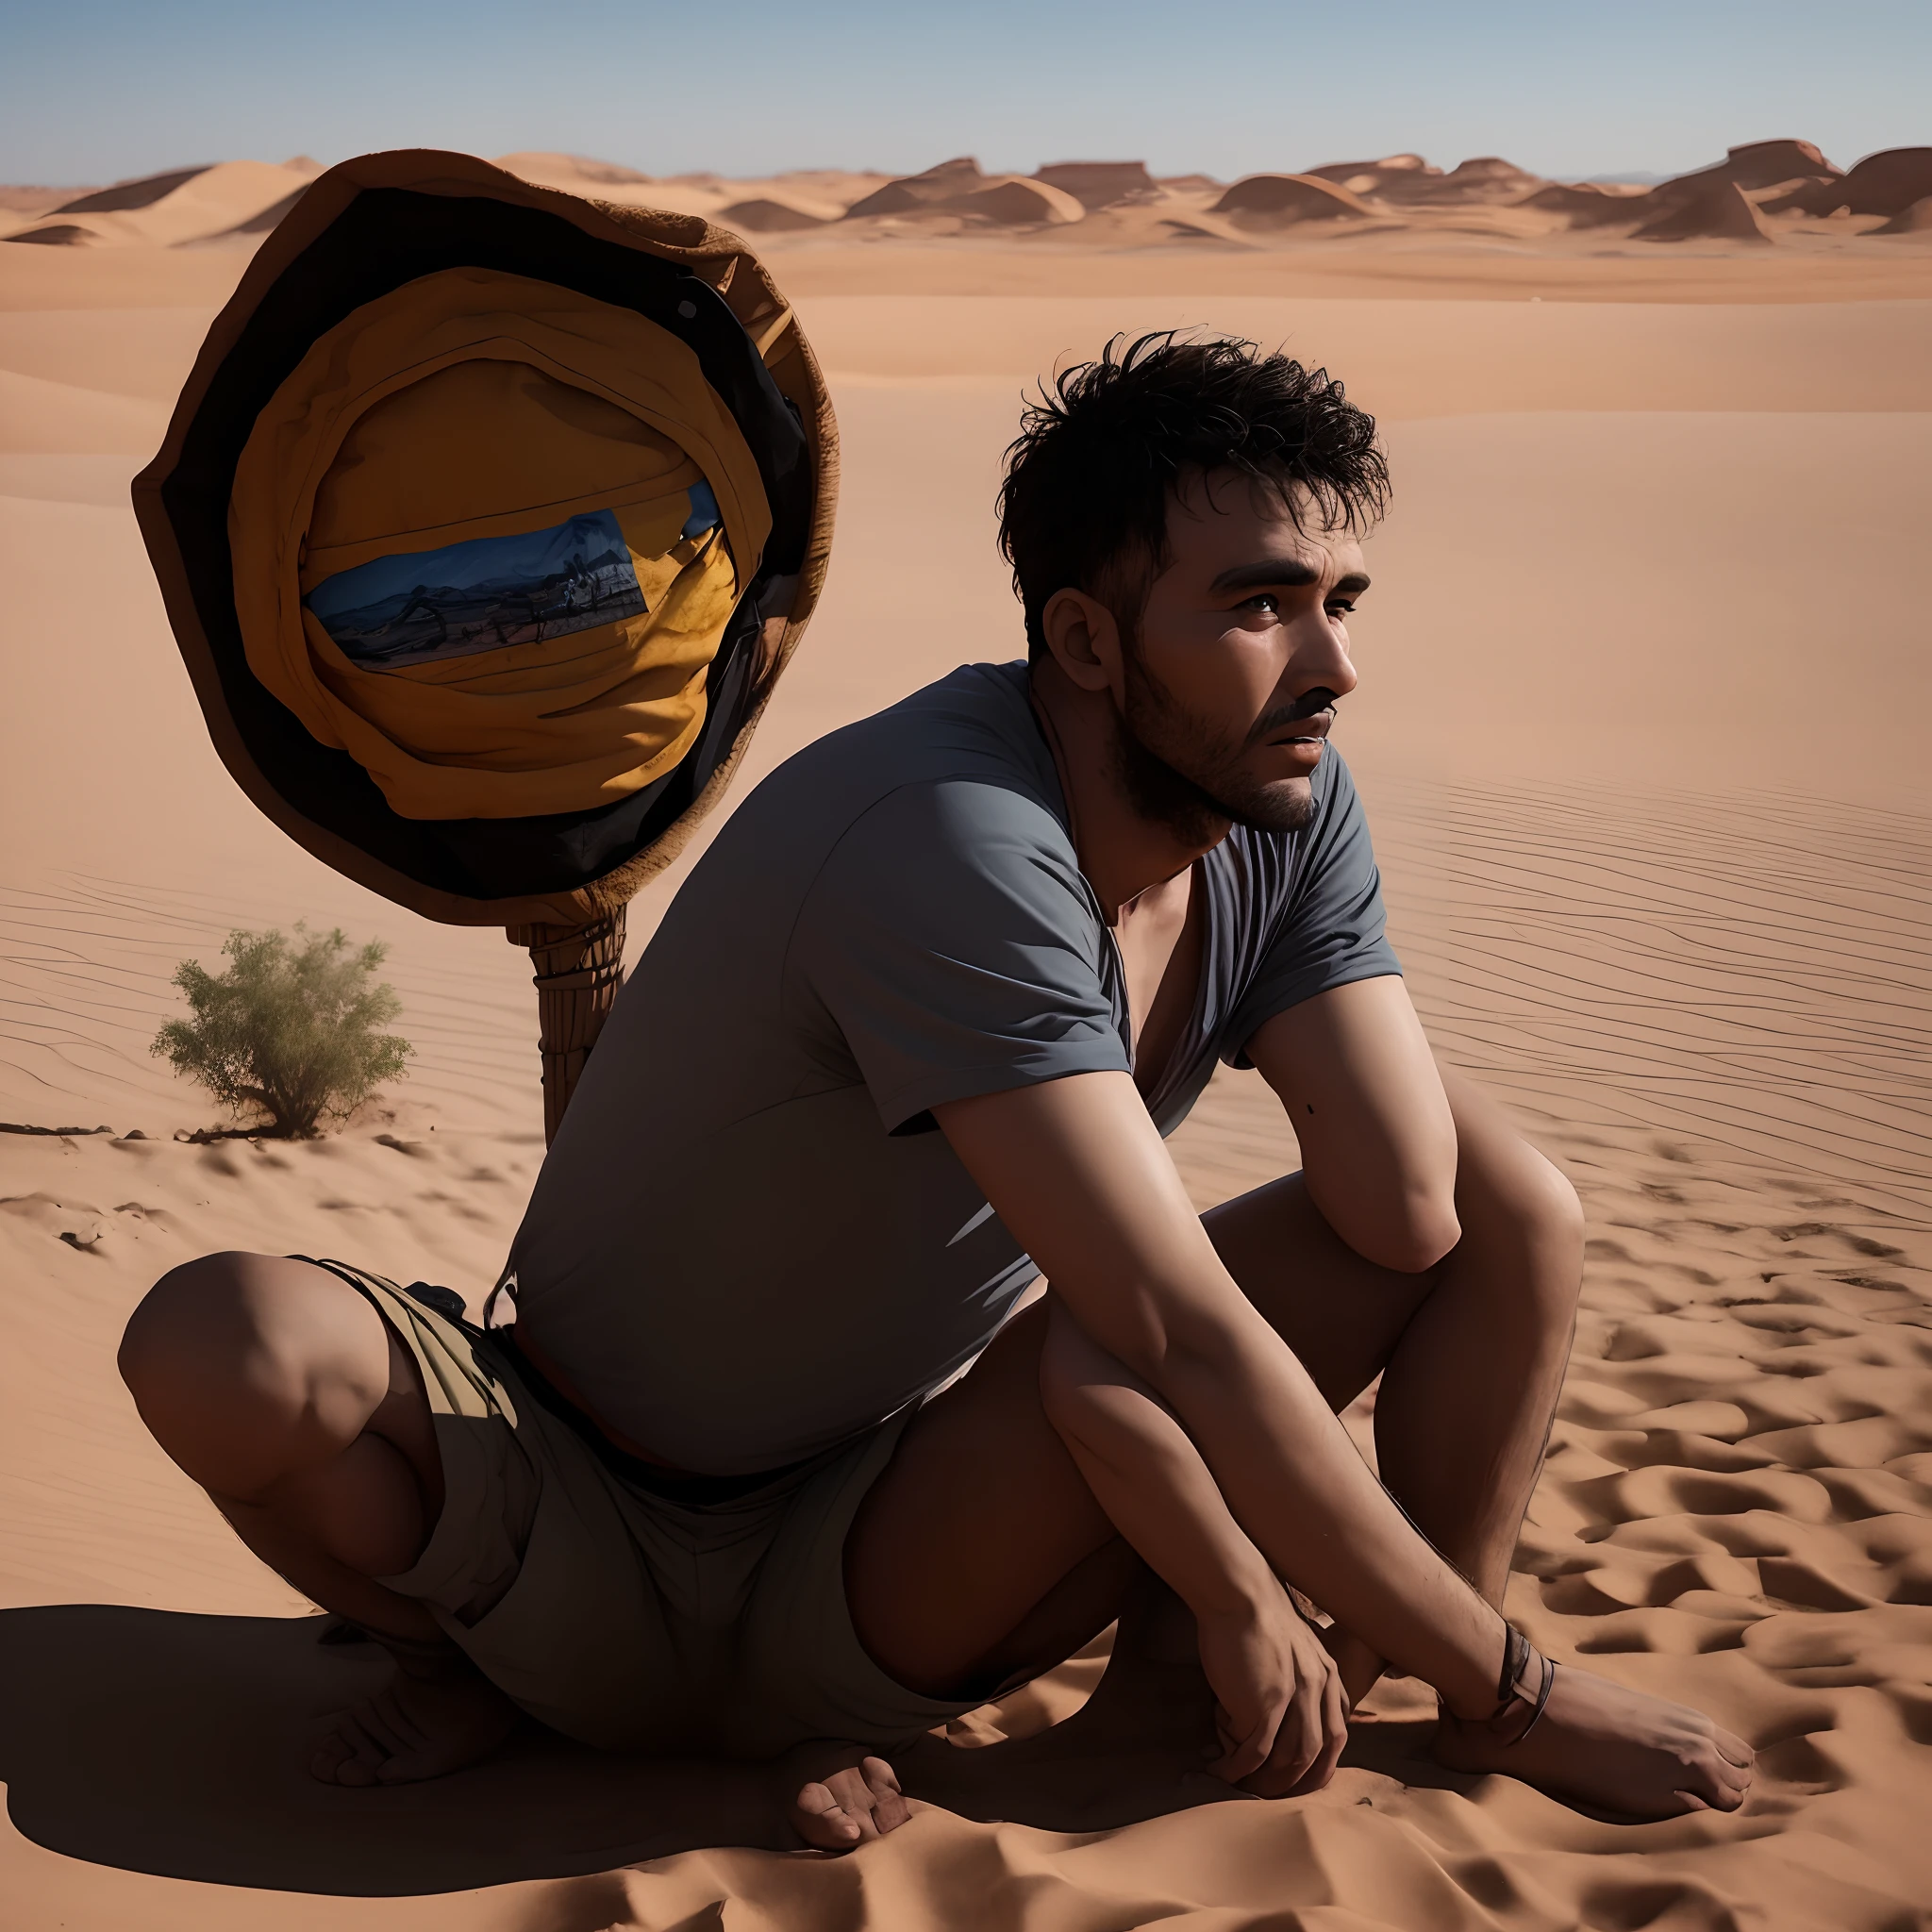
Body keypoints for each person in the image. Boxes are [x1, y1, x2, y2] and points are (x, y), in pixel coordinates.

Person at [119, 335, 1754, 1849]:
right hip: (569, 1502)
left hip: (873, 1543)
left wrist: (1264, 969)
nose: (1330, 664)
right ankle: (473, 1666)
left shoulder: (1282, 806)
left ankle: (1311, 1700)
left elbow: (1404, 1212)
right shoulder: (952, 831)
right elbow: (1177, 1328)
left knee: (1505, 1208)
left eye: (1343, 601)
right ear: (1085, 640)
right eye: (1261, 607)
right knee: (225, 1342)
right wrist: (1532, 1680)